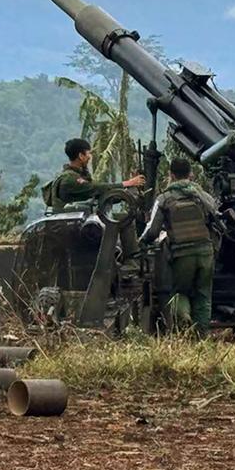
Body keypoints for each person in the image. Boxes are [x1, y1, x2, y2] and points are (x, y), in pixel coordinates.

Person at [139, 158, 220, 335]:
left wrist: (140, 244)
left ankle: (184, 321)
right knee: (203, 295)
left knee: (179, 292)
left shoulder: (164, 198)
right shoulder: (202, 195)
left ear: (171, 175)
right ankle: (202, 336)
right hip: (206, 251)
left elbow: (152, 231)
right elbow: (216, 217)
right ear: (190, 174)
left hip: (182, 253)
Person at [42, 138, 145, 210]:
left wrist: (125, 194)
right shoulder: (70, 179)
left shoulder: (76, 175)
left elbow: (100, 195)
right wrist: (127, 184)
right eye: (88, 153)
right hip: (73, 227)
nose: (90, 156)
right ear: (81, 156)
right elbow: (96, 188)